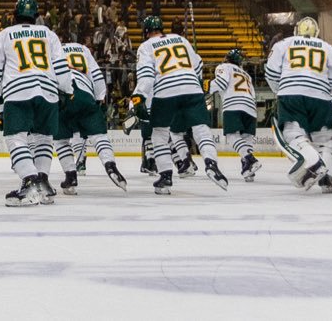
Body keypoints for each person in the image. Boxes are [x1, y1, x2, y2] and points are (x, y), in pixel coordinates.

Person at [0, 0, 73, 206]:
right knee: (43, 139)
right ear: (37, 16)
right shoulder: (49, 35)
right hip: (48, 91)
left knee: (16, 138)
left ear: (14, 15)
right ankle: (42, 183)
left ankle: (30, 180)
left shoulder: (4, 35)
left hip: (18, 91)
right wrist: (67, 90)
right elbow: (61, 67)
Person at [132, 15, 230, 195]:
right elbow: (198, 64)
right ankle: (211, 164)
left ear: (146, 32)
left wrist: (138, 96)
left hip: (166, 90)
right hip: (192, 86)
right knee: (201, 129)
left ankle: (166, 177)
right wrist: (196, 84)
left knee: (159, 134)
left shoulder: (145, 46)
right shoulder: (181, 39)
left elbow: (146, 76)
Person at [266, 18, 332, 192]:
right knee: (324, 138)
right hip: (321, 96)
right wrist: (322, 87)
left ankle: (313, 162)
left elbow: (271, 72)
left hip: (291, 93)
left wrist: (279, 89)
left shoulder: (283, 44)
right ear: (316, 32)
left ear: (296, 31)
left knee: (292, 132)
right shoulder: (329, 48)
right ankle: (326, 179)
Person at [56, 40, 127, 192]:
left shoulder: (53, 47)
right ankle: (110, 165)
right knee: (99, 136)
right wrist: (99, 97)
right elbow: (96, 74)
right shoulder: (83, 49)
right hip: (86, 92)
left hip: (63, 93)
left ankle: (71, 176)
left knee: (61, 140)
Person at [208, 48, 261, 182]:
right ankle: (248, 170)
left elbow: (221, 82)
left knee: (232, 136)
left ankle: (250, 160)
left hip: (233, 103)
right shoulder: (246, 74)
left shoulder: (224, 67)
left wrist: (203, 87)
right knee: (246, 137)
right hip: (250, 106)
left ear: (227, 58)